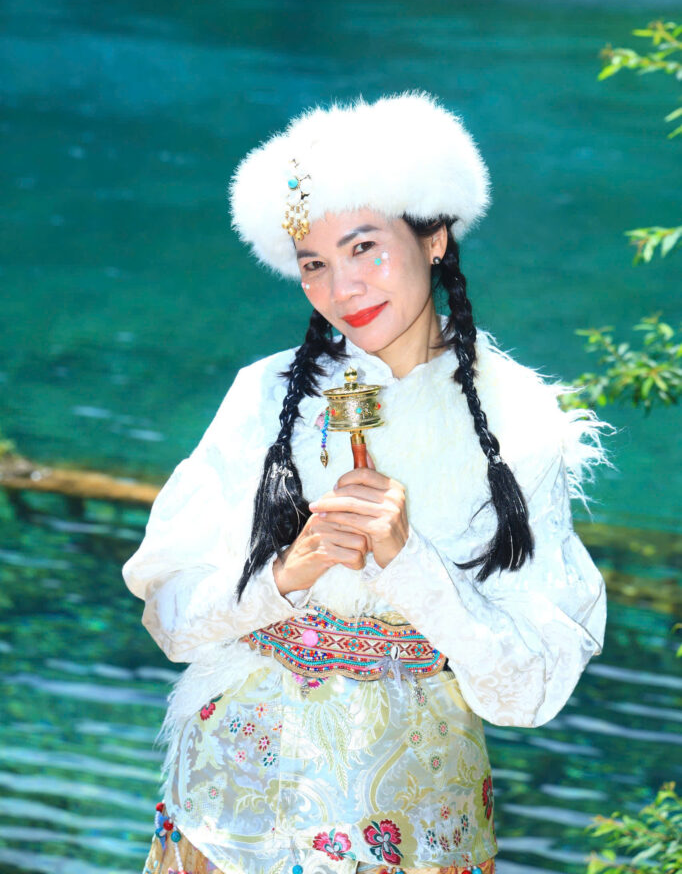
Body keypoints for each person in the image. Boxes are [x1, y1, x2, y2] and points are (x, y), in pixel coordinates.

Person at [123, 90, 613, 874]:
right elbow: (170, 621)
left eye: (363, 249)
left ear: (435, 237)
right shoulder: (264, 395)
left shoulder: (520, 422)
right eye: (314, 264)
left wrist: (410, 562)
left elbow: (528, 695)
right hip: (229, 807)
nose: (342, 289)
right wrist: (288, 572)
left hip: (414, 817)